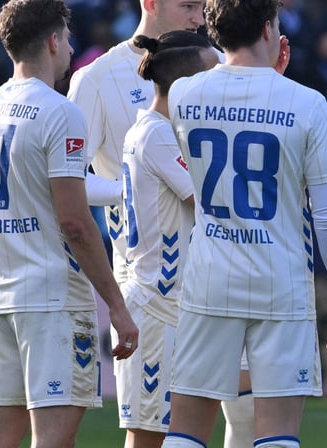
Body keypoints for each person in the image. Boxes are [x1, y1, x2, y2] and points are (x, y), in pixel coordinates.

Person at [161, 0, 327, 448]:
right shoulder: (308, 103)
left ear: (214, 30)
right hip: (280, 281)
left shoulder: (186, 94)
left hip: (210, 277)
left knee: (186, 430)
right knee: (276, 434)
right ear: (271, 28)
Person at [66, 0, 254, 444]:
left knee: (247, 416)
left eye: (203, 5)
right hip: (151, 278)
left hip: (217, 275)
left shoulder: (208, 69)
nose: (199, 17)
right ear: (151, 1)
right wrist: (132, 185)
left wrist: (233, 5)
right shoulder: (97, 79)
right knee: (154, 431)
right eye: (190, 6)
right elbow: (65, 181)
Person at [0, 0, 139, 448]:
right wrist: (117, 305)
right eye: (66, 39)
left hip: (0, 294)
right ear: (51, 41)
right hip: (51, 299)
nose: (69, 48)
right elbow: (74, 222)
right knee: (53, 441)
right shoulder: (60, 111)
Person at [116, 30, 221, 447]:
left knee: (174, 432)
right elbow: (210, 201)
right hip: (156, 303)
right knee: (148, 437)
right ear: (188, 85)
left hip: (171, 304)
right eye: (214, 74)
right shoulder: (158, 134)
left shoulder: (159, 130)